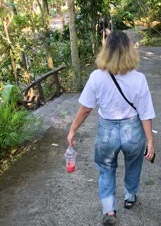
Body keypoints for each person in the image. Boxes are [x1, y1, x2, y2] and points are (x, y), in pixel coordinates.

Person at [66, 30, 156, 226]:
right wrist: (150, 140)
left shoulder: (96, 77)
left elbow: (85, 109)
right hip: (133, 129)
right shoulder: (139, 78)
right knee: (134, 164)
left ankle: (109, 210)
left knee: (106, 169)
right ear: (129, 51)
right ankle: (129, 197)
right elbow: (146, 112)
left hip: (107, 130)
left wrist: (73, 129)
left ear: (106, 51)